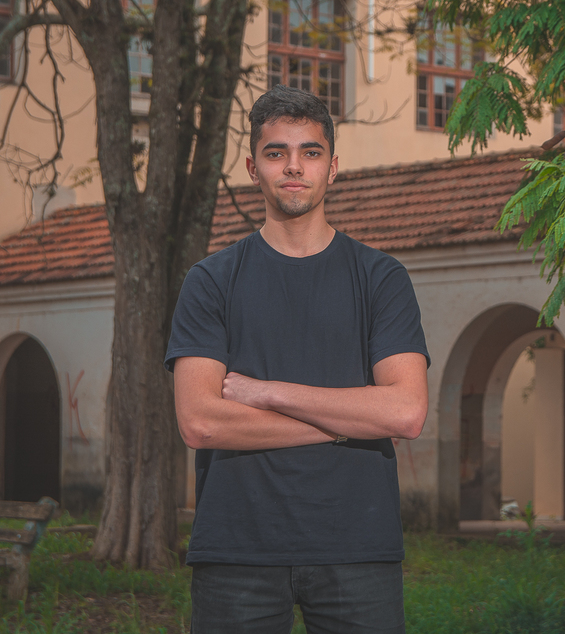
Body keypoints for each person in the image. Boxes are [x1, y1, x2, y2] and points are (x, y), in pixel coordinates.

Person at [166, 85, 430, 633]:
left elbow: (405, 413)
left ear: (332, 168)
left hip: (358, 545)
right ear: (251, 167)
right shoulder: (210, 281)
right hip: (237, 547)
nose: (294, 167)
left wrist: (267, 392)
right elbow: (200, 421)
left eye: (310, 152)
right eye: (276, 152)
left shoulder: (381, 278)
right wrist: (346, 423)